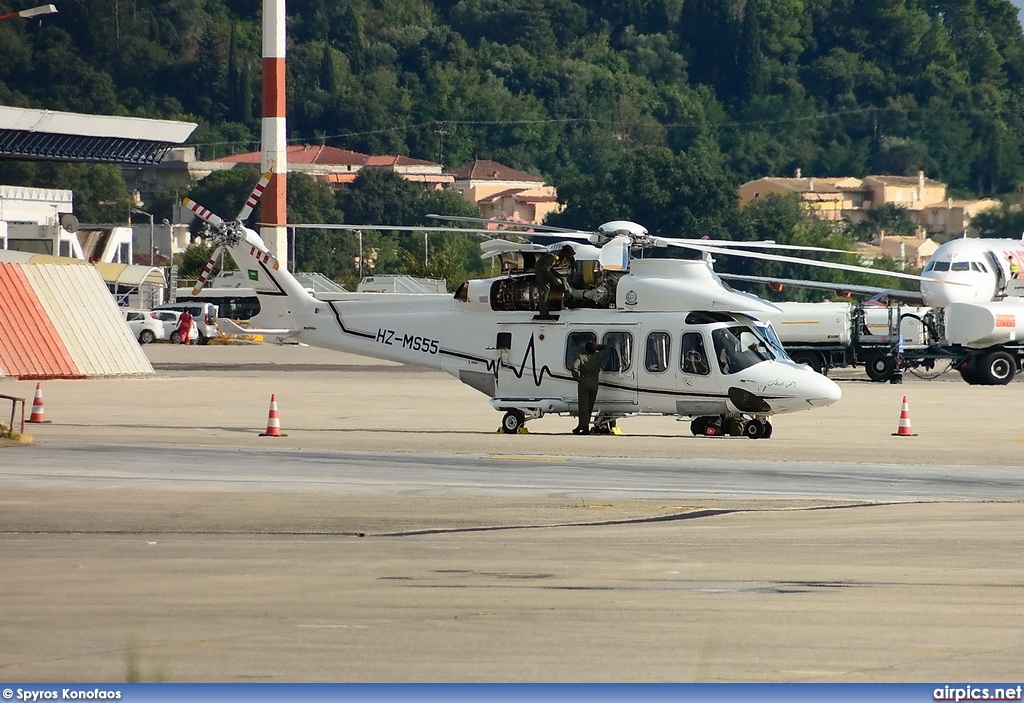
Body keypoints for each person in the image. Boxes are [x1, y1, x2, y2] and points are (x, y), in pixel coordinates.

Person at [570, 340, 612, 434]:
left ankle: (584, 428)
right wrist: (597, 346)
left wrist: (578, 378)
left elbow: (574, 368)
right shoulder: (598, 356)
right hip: (594, 382)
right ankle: (582, 426)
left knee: (583, 406)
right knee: (590, 406)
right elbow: (608, 348)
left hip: (584, 381)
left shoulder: (581, 357)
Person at [534, 245, 575, 318]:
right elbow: (545, 269)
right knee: (545, 290)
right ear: (565, 253)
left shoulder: (563, 255)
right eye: (569, 254)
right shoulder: (554, 257)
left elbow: (572, 262)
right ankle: (544, 313)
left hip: (548, 269)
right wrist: (554, 279)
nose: (570, 256)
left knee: (563, 279)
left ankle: (569, 299)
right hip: (541, 270)